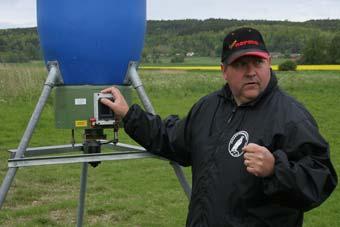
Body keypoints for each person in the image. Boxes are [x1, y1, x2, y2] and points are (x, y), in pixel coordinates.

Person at [101, 27, 338, 226]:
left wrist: (275, 169)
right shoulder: (208, 107)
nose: (251, 71)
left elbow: (320, 180)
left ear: (269, 63)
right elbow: (171, 139)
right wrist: (128, 114)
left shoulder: (291, 117)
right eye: (240, 64)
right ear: (224, 71)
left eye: (257, 62)